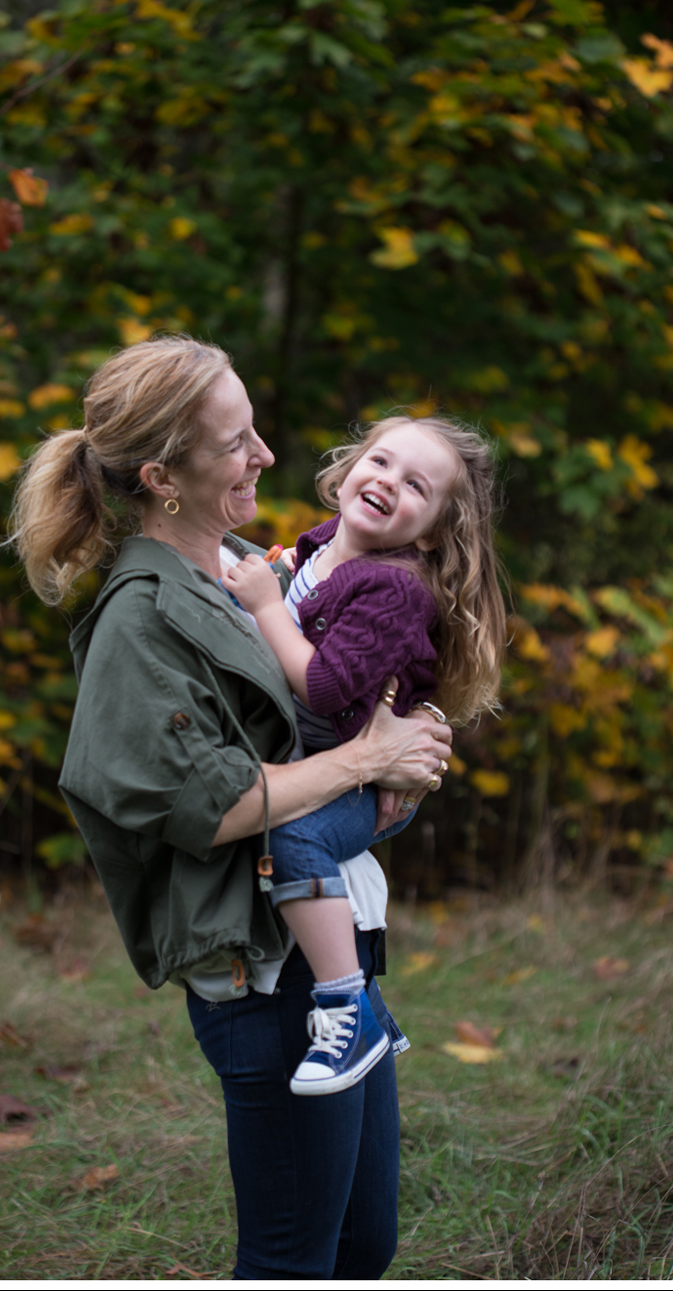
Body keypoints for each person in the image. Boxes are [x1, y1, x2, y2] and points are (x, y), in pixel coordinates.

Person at [10, 336, 453, 1281]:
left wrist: (412, 740)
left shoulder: (252, 565)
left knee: (363, 1246)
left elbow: (336, 695)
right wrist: (369, 759)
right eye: (237, 442)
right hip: (262, 980)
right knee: (293, 1261)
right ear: (164, 476)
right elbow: (206, 806)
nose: (265, 455)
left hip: (336, 961)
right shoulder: (139, 616)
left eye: (256, 429)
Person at [221, 415, 506, 1096]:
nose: (387, 482)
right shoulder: (321, 544)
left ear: (433, 530)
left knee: (292, 839)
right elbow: (299, 588)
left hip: (360, 778)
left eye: (416, 485)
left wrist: (264, 606)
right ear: (349, 468)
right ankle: (372, 1010)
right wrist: (280, 575)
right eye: (379, 461)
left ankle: (346, 1006)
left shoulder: (394, 586)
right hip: (344, 760)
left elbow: (322, 688)